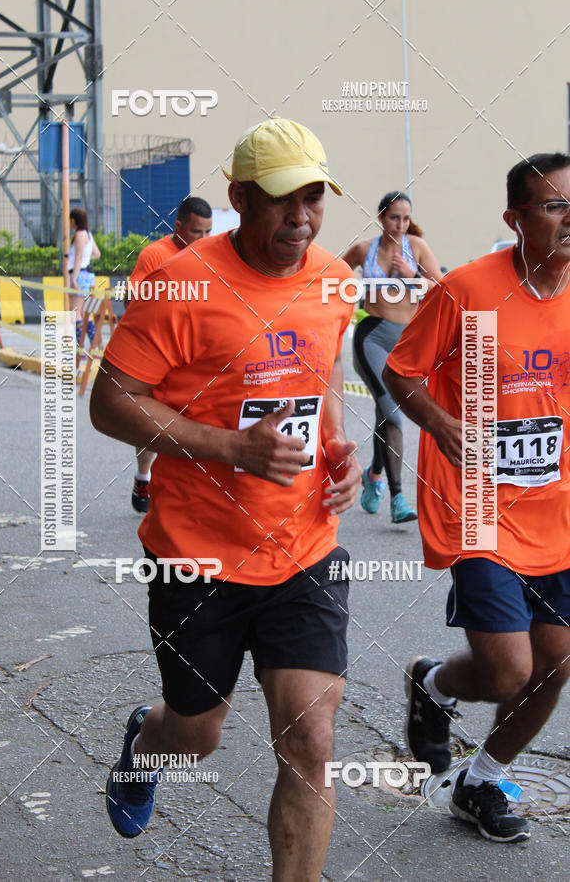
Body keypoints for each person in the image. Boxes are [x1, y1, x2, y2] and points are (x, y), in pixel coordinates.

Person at [90, 117, 362, 880]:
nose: (300, 217)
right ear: (239, 197)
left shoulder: (335, 279)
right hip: (196, 553)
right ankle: (145, 746)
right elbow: (111, 402)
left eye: (313, 197)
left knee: (311, 740)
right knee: (196, 733)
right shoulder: (182, 284)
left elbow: (321, 377)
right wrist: (232, 448)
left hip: (304, 544)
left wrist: (338, 449)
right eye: (281, 199)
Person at [383, 152, 570, 843]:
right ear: (516, 220)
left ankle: (480, 780)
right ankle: (438, 687)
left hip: (557, 507)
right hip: (481, 503)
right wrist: (442, 425)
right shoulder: (467, 289)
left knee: (555, 664)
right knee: (508, 668)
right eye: (554, 206)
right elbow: (403, 372)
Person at [342, 192, 441, 523]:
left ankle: (373, 475)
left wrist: (412, 276)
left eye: (406, 218)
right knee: (393, 415)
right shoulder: (364, 249)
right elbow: (331, 280)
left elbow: (442, 288)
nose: (401, 225)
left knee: (386, 415)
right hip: (372, 337)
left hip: (407, 341)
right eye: (395, 218)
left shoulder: (416, 248)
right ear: (382, 217)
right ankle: (398, 497)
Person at [128, 196, 213, 513]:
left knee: (198, 419)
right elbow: (133, 300)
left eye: (208, 232)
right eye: (196, 232)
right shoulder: (155, 255)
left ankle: (188, 489)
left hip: (199, 353)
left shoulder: (212, 256)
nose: (203, 240)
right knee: (154, 421)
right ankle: (143, 474)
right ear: (179, 227)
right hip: (161, 351)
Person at [66, 207, 100, 344]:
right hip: (88, 275)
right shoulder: (88, 234)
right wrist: (87, 259)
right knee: (86, 313)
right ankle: (95, 346)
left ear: (73, 220)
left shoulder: (80, 234)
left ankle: (81, 350)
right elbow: (97, 254)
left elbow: (78, 257)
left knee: (75, 313)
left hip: (80, 275)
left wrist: (74, 278)